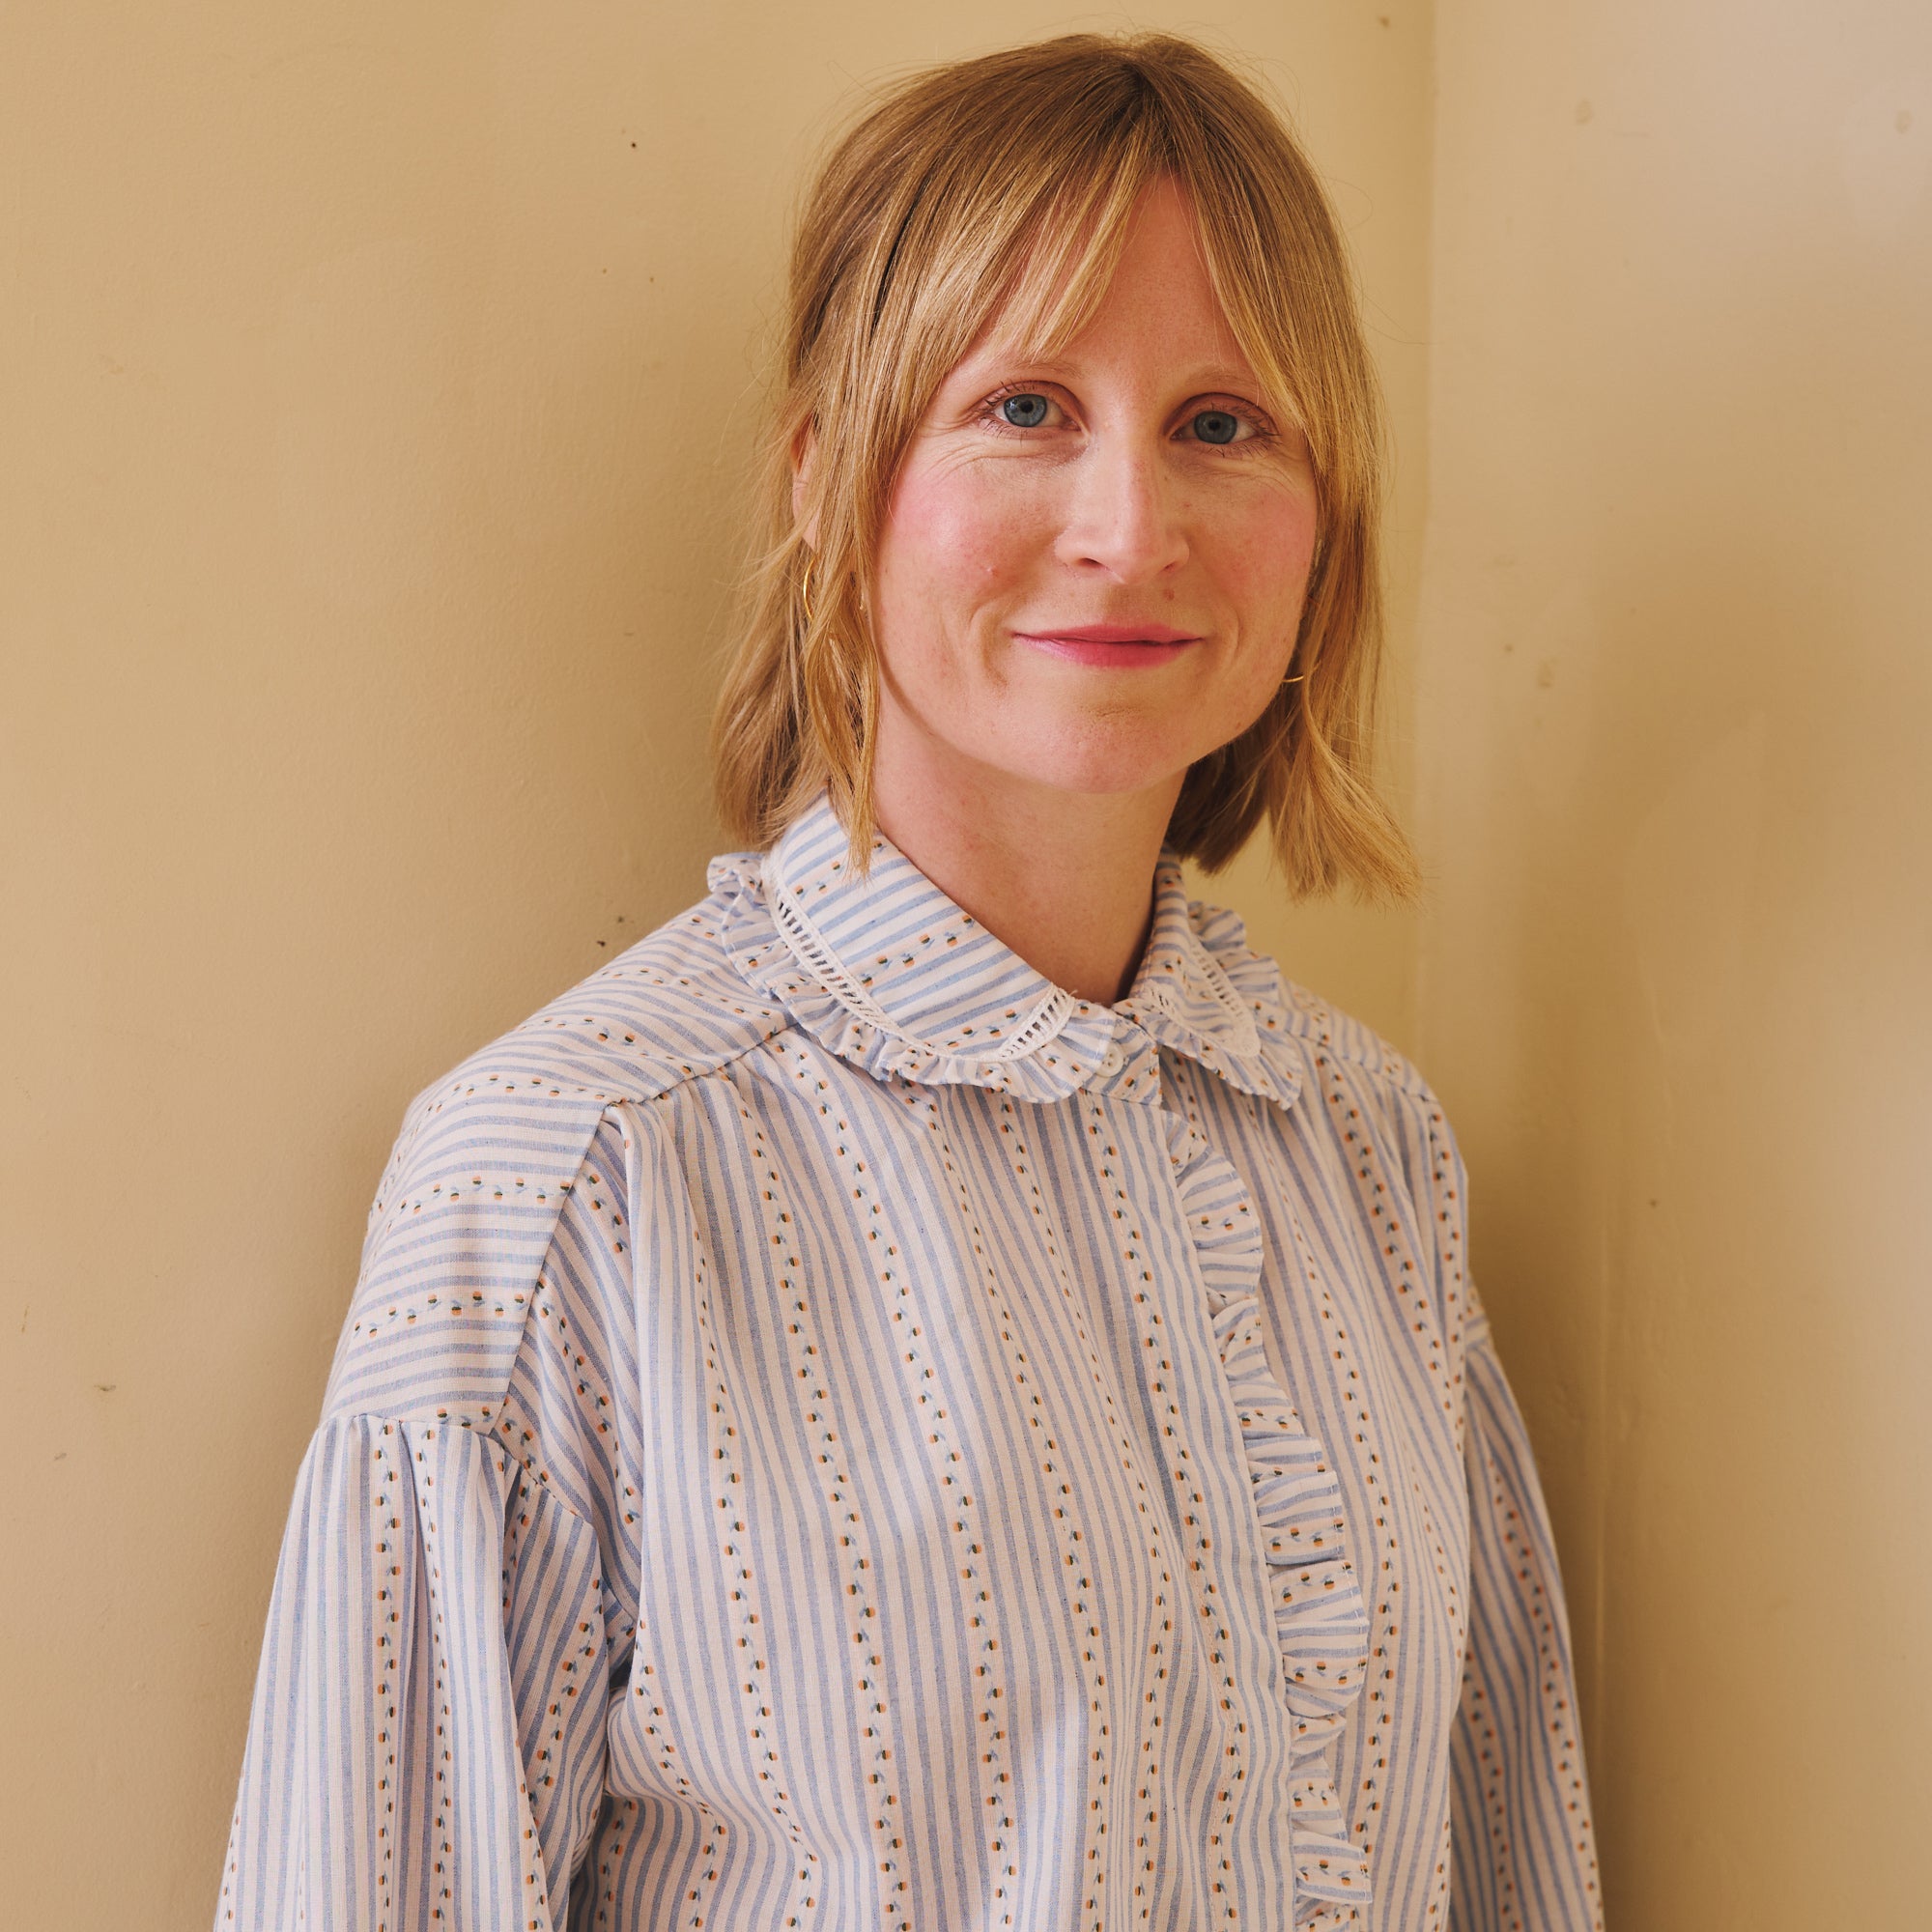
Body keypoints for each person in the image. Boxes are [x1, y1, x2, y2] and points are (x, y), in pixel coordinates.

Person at [215, 33, 1601, 1932]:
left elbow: (1512, 1861)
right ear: (820, 475)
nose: (1130, 525)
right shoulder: (568, 1183)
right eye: (1024, 404)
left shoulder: (1371, 1155)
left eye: (1224, 422)